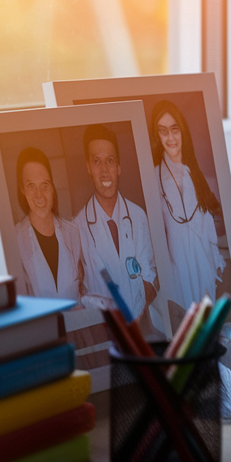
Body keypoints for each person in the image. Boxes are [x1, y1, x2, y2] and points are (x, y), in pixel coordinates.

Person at [75, 124, 161, 327]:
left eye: (110, 161)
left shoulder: (138, 216)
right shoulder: (77, 226)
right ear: (88, 167)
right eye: (97, 162)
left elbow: (150, 274)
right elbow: (82, 289)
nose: (104, 171)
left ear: (119, 167)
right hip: (104, 330)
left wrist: (136, 313)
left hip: (142, 324)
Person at [150, 101, 225, 310]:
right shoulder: (154, 178)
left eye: (175, 130)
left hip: (204, 264)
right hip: (177, 269)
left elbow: (209, 227)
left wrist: (213, 263)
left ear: (182, 132)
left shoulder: (197, 175)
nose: (171, 138)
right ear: (157, 136)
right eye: (163, 131)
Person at [12, 147, 88, 302]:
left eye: (45, 185)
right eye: (31, 186)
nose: (39, 195)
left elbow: (83, 288)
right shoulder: (15, 240)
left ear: (52, 187)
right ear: (22, 190)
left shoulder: (73, 232)